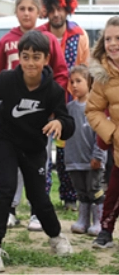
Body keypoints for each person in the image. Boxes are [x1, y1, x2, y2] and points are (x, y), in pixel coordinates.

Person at [0, 30, 74, 272]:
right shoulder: (8, 80)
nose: (30, 63)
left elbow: (68, 122)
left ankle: (56, 236)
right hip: (6, 140)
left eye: (36, 57)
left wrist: (59, 123)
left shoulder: (53, 91)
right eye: (25, 56)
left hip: (34, 147)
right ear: (19, 57)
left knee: (38, 196)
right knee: (6, 186)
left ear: (46, 59)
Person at [0, 0, 69, 231]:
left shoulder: (49, 40)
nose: (26, 13)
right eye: (21, 8)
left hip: (39, 117)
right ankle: (11, 209)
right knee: (10, 168)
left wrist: (54, 106)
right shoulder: (5, 41)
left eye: (30, 9)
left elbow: (61, 74)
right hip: (12, 116)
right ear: (16, 12)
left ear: (39, 12)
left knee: (38, 164)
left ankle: (36, 211)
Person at [37, 0, 88, 211]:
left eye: (61, 8)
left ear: (68, 8)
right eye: (52, 8)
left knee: (67, 150)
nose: (57, 13)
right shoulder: (39, 36)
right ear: (47, 9)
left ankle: (69, 197)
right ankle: (41, 196)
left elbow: (85, 70)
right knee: (43, 152)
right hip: (45, 104)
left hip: (70, 103)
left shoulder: (79, 35)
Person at [86, 16, 119, 249]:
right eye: (108, 38)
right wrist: (112, 133)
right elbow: (93, 110)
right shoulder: (102, 75)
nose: (113, 43)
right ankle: (105, 231)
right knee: (114, 192)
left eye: (118, 38)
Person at [65, 64, 106, 236]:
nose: (74, 85)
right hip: (75, 160)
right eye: (71, 81)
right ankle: (83, 220)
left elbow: (102, 133)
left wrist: (98, 155)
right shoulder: (69, 108)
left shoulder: (96, 107)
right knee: (81, 191)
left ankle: (99, 221)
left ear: (89, 82)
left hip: (93, 161)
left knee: (94, 188)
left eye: (78, 81)